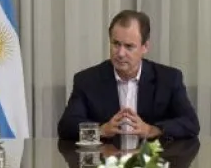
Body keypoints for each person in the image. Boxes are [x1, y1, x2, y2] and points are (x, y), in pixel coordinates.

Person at [57, 10, 199, 141]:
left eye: (129, 46)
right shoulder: (87, 80)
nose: (120, 53)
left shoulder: (168, 79)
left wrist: (152, 130)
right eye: (116, 44)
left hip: (152, 165)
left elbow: (191, 124)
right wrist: (100, 131)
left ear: (145, 47)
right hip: (105, 165)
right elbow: (66, 127)